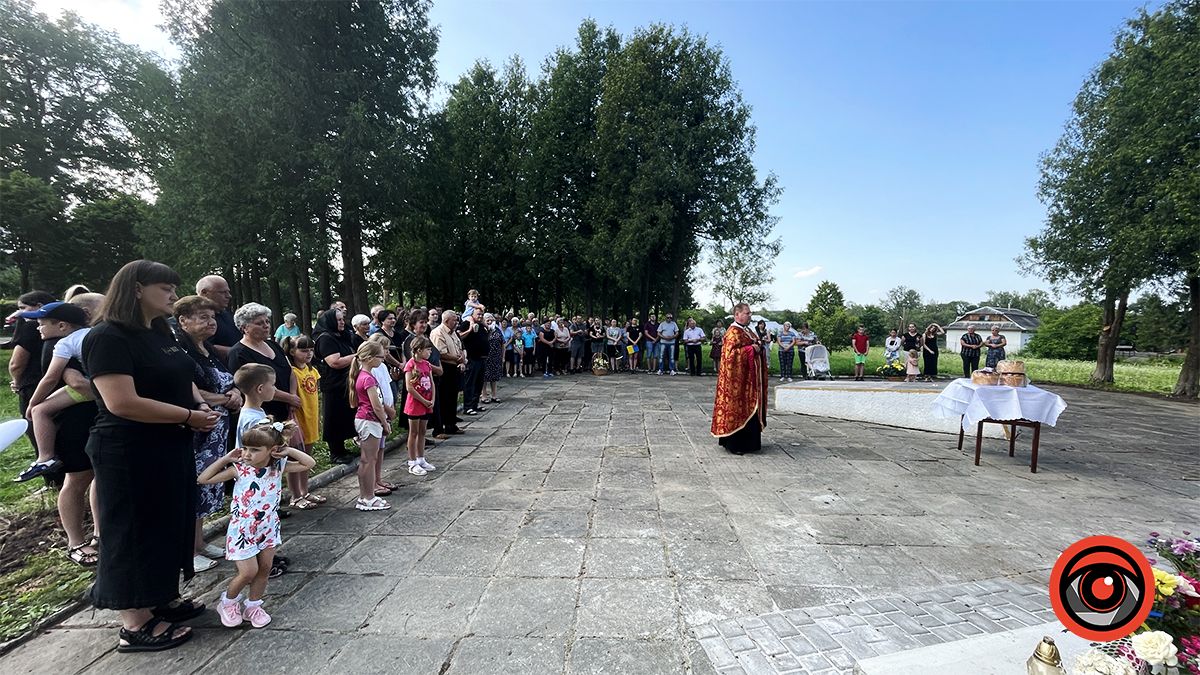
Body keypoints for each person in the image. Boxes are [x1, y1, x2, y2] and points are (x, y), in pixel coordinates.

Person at [83, 260, 219, 653]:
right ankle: (134, 622)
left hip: (169, 442)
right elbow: (121, 402)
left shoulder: (160, 331)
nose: (175, 296)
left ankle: (160, 596)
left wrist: (196, 410)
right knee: (133, 530)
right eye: (166, 289)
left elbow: (181, 378)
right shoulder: (108, 336)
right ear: (137, 289)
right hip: (129, 450)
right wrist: (189, 416)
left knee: (167, 523)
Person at [200, 419, 314, 629]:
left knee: (265, 569)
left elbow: (309, 464)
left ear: (272, 450)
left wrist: (288, 450)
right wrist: (225, 458)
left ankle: (253, 606)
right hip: (243, 530)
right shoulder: (239, 470)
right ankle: (228, 602)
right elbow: (204, 478)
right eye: (245, 448)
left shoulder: (278, 467)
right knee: (248, 572)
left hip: (268, 528)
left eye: (254, 449)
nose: (247, 454)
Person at [173, 295, 243, 573]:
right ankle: (186, 550)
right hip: (198, 429)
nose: (211, 322)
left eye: (212, 317)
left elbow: (227, 380)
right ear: (183, 321)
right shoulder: (182, 352)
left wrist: (235, 392)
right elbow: (188, 388)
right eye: (203, 317)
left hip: (219, 428)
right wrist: (223, 399)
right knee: (193, 485)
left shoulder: (207, 348)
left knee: (207, 486)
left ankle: (199, 542)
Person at [19, 302, 92, 481]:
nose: (38, 328)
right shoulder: (93, 332)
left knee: (39, 411)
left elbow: (50, 378)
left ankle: (45, 458)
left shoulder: (64, 343)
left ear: (62, 326)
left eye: (42, 323)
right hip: (103, 382)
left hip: (90, 387)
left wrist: (33, 402)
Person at [227, 303, 300, 424]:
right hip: (262, 416)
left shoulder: (274, 345)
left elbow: (290, 371)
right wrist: (290, 398)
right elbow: (253, 387)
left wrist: (293, 397)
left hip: (288, 410)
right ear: (244, 328)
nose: (266, 326)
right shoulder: (238, 354)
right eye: (259, 323)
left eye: (267, 322)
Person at [711, 303, 768, 454]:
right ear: (737, 315)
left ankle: (750, 443)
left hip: (749, 380)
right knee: (736, 409)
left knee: (750, 407)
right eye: (747, 313)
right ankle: (735, 444)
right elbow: (730, 356)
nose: (750, 315)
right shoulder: (732, 332)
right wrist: (751, 349)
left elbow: (755, 342)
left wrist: (758, 345)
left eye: (750, 313)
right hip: (736, 381)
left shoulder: (747, 330)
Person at [282, 335, 326, 510]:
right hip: (298, 420)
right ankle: (295, 495)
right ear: (292, 351)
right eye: (303, 350)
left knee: (307, 457)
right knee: (295, 458)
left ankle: (305, 491)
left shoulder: (312, 370)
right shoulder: (291, 371)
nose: (308, 353)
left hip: (311, 418)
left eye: (310, 350)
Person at [9, 290, 55, 451]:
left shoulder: (30, 326)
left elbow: (16, 363)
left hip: (32, 384)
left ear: (39, 306)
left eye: (23, 308)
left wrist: (17, 381)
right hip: (57, 384)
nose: (20, 312)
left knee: (36, 428)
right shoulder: (61, 326)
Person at [350, 341, 392, 509]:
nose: (383, 359)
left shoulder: (363, 375)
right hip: (369, 421)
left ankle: (367, 495)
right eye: (380, 356)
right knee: (368, 460)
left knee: (368, 460)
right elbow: (376, 405)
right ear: (370, 358)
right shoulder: (367, 378)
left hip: (367, 420)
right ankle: (367, 497)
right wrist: (385, 422)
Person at [313, 309, 356, 464]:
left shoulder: (341, 336)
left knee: (345, 416)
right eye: (338, 320)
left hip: (345, 382)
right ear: (330, 321)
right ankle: (335, 452)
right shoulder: (325, 338)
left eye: (342, 319)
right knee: (334, 417)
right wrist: (356, 357)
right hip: (333, 384)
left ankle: (343, 448)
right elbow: (334, 362)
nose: (342, 322)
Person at [403, 335, 438, 476]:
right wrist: (423, 400)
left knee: (423, 431)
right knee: (414, 432)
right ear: (418, 350)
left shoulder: (427, 364)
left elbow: (432, 383)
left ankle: (421, 458)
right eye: (427, 350)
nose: (430, 352)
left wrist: (432, 399)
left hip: (427, 402)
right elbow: (409, 387)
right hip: (415, 403)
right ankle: (412, 461)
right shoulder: (411, 364)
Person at [430, 310, 465, 436]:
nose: (456, 322)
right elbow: (441, 353)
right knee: (443, 398)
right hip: (444, 367)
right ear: (446, 321)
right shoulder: (438, 332)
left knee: (452, 397)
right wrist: (457, 358)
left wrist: (461, 358)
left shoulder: (453, 333)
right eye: (454, 320)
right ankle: (439, 427)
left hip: (454, 367)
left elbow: (459, 347)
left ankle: (451, 424)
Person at [196, 275, 238, 362]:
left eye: (228, 292)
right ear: (204, 293)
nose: (229, 296)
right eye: (223, 292)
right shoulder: (195, 319)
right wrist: (240, 352)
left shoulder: (226, 315)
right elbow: (204, 346)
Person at [459, 311, 489, 413]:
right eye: (478, 314)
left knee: (479, 383)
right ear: (472, 315)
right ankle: (467, 406)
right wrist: (470, 330)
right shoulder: (466, 324)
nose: (480, 316)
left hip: (482, 358)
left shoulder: (481, 325)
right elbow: (459, 336)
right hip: (472, 358)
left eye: (481, 314)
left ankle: (475, 404)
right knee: (470, 383)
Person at [482, 314, 504, 403]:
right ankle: (483, 395)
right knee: (484, 377)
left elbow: (502, 343)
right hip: (485, 357)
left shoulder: (498, 330)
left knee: (494, 377)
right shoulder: (482, 330)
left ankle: (494, 395)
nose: (490, 322)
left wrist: (503, 356)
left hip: (496, 357)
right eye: (487, 320)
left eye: (491, 320)